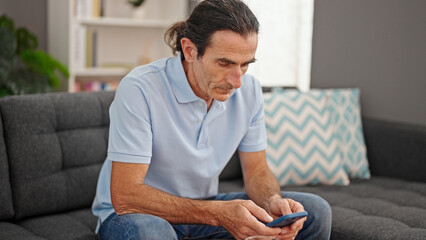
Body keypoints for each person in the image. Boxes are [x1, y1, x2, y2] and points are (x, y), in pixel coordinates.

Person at [92, 0, 331, 239]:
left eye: (245, 65)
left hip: (203, 207)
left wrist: (272, 201)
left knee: (314, 212)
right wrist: (218, 214)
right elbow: (126, 196)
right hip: (138, 215)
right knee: (151, 233)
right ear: (189, 50)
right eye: (225, 63)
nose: (236, 81)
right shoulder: (141, 88)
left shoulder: (249, 91)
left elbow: (257, 170)